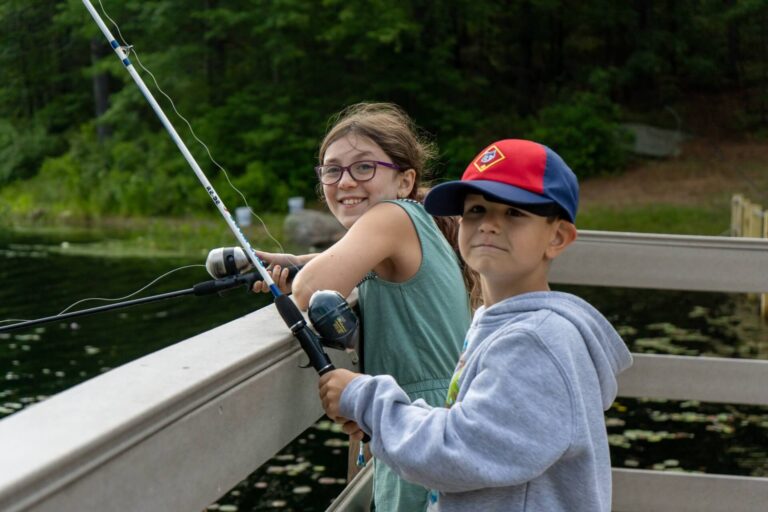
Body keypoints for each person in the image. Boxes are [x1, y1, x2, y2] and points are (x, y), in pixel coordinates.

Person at [318, 139, 633, 512]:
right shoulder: (497, 320)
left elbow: (461, 452)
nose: (488, 225)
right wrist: (389, 418)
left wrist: (365, 400)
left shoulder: (536, 341)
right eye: (476, 210)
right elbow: (473, 427)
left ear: (557, 237)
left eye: (514, 213)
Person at [253, 103, 474, 511]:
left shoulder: (390, 216)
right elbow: (332, 268)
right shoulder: (413, 220)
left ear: (405, 180)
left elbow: (309, 290)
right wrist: (294, 262)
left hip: (415, 427)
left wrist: (300, 276)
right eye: (331, 170)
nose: (345, 181)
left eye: (363, 168)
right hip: (428, 420)